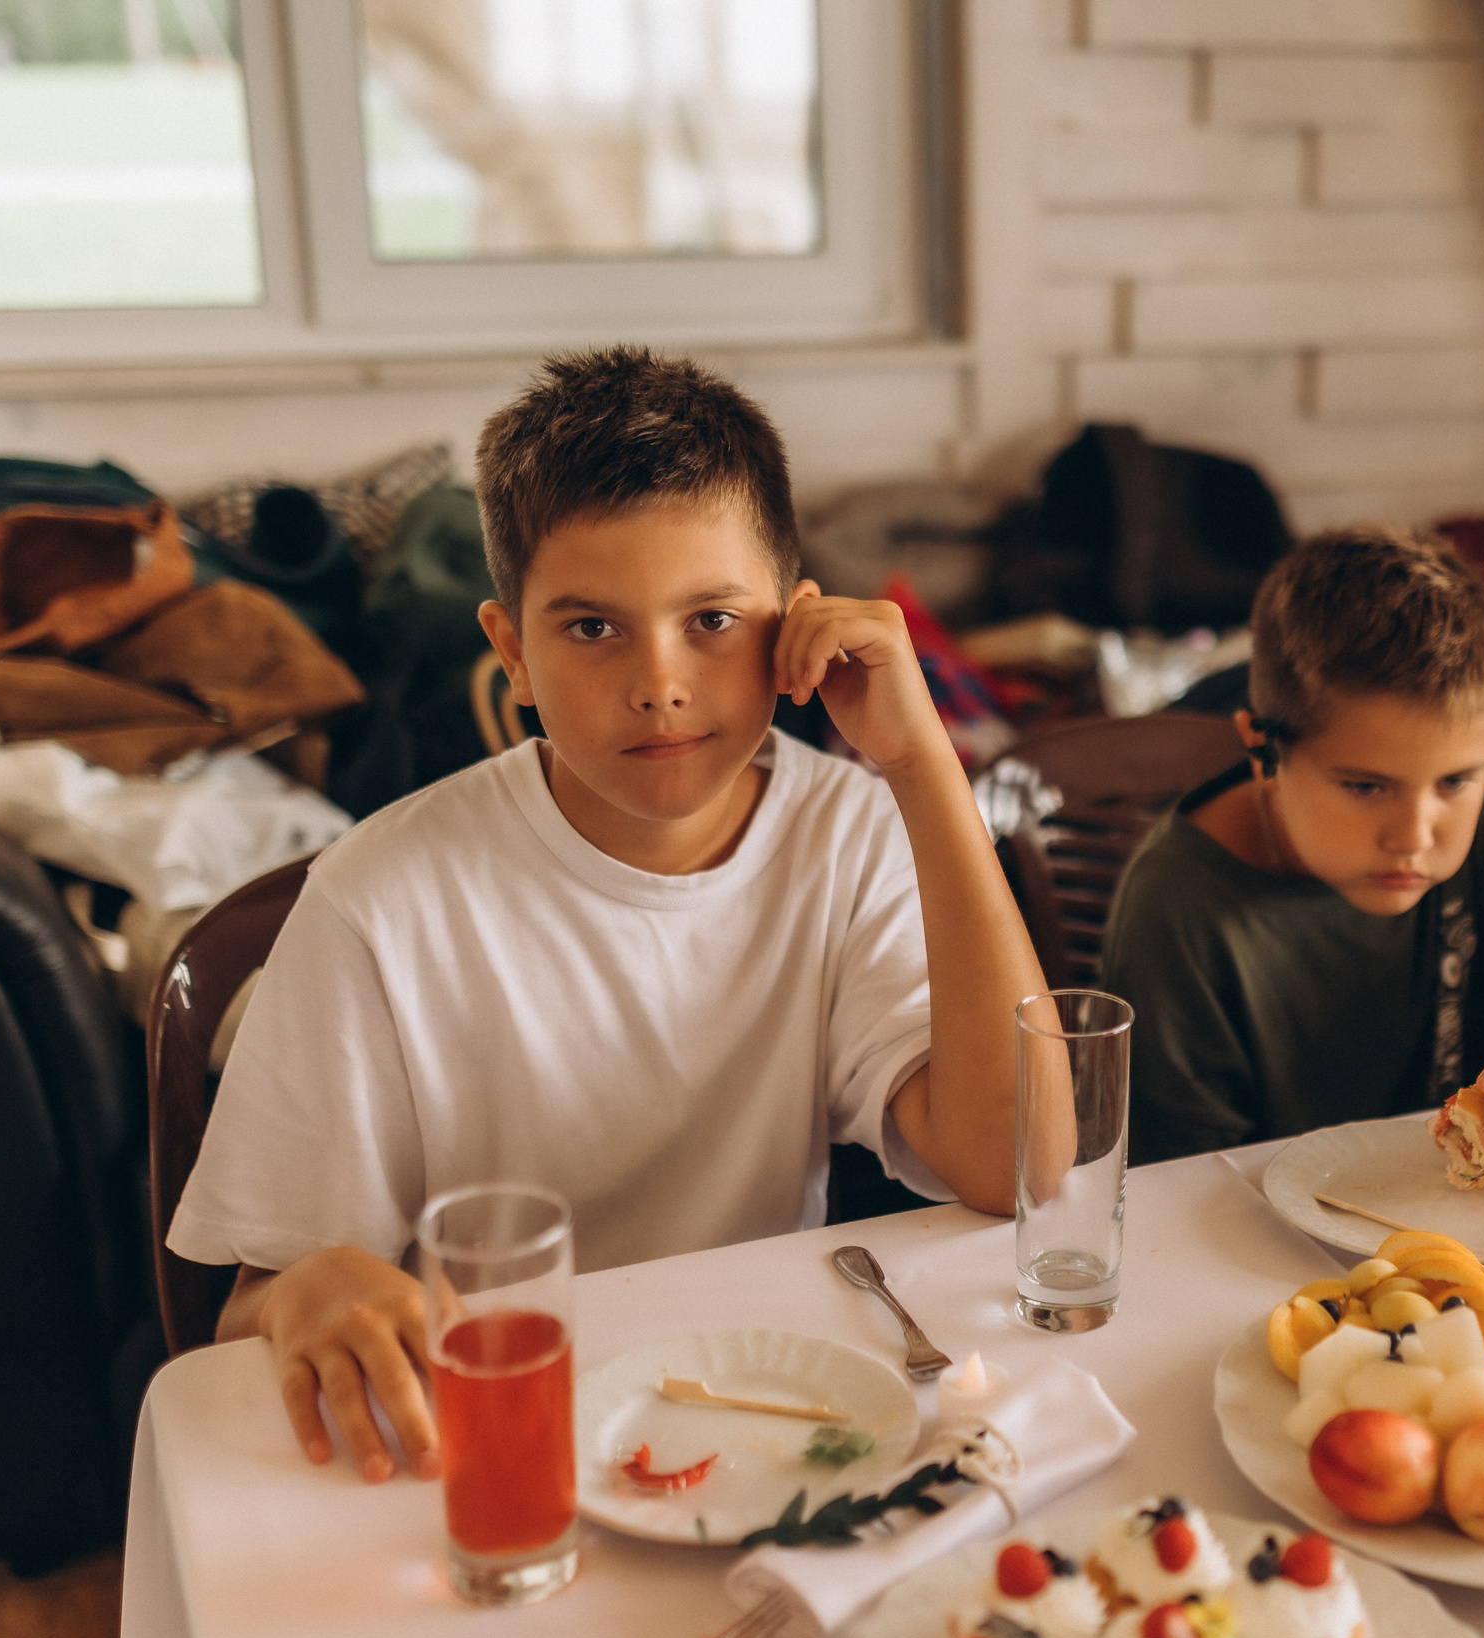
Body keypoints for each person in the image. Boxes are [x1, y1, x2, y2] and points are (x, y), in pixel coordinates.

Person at [167, 349, 1046, 1483]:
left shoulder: (849, 828)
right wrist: (307, 1289)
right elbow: (247, 1318)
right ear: (512, 653)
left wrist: (921, 761)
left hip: (767, 1417)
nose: (660, 680)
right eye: (592, 629)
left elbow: (1019, 1161)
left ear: (795, 621)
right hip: (498, 1435)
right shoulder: (376, 900)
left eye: (713, 619)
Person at [1099, 525, 1484, 1165]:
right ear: (1262, 751)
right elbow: (1178, 1193)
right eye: (1366, 786)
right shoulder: (1174, 911)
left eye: (1455, 781)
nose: (1415, 836)